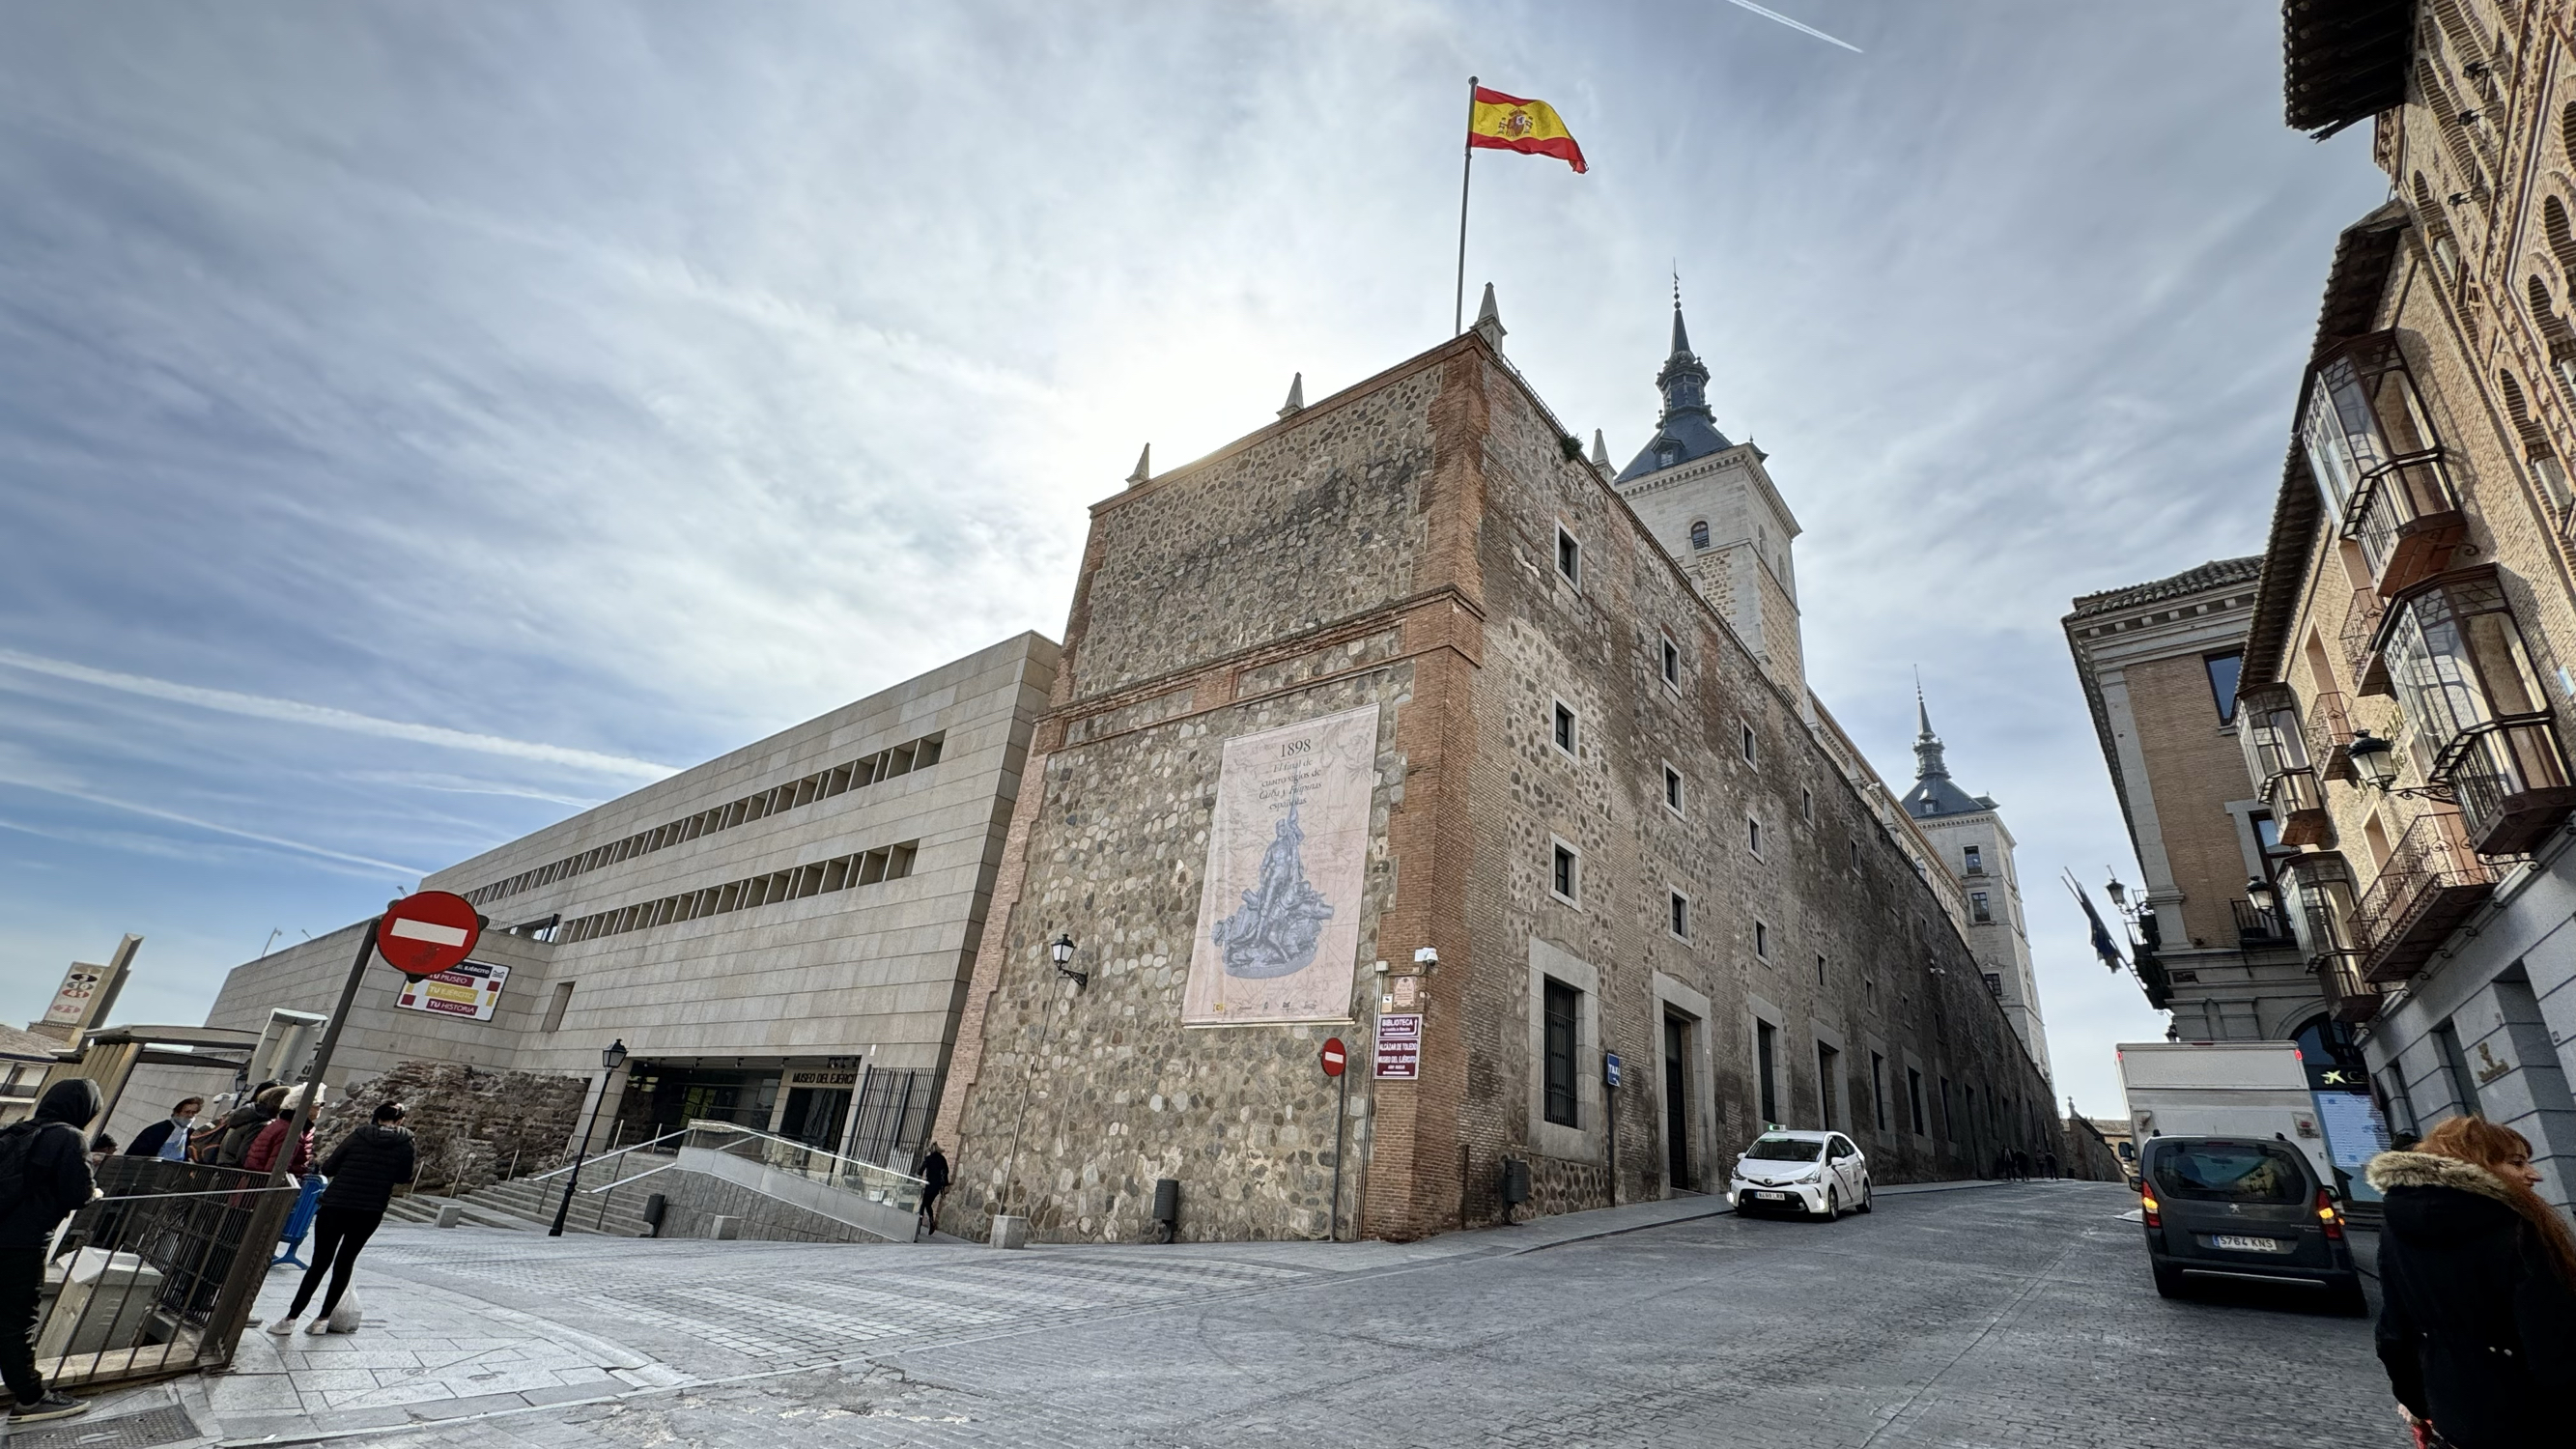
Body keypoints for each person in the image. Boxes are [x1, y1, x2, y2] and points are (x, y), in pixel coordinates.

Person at [2367, 1116, 2576, 1448]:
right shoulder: (2514, 1230)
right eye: (2517, 1162)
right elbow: (2553, 1344)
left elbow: (2393, 1334)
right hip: (2533, 1419)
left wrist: (2421, 1404)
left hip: (2455, 1415)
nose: (2534, 1174)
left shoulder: (2394, 1232)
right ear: (2476, 1164)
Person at [1, 1079, 103, 1424]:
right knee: (16, 1321)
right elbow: (78, 1193)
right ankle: (30, 1397)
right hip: (22, 1243)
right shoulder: (70, 1138)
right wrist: (95, 1192)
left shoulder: (17, 1130)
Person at [269, 1102, 413, 1337]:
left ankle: (290, 1318)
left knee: (319, 1263)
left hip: (336, 1205)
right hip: (370, 1209)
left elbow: (329, 1167)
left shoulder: (358, 1136)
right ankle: (322, 1320)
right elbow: (404, 1176)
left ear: (376, 1117)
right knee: (345, 1262)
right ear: (400, 1121)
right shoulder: (406, 1143)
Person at [242, 1089, 317, 1179]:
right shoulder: (290, 1130)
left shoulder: (280, 1124)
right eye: (318, 1105)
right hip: (262, 1184)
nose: (321, 1108)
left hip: (253, 1180)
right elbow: (276, 1165)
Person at [213, 1084, 283, 1168]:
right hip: (233, 1170)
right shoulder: (259, 1122)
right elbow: (244, 1152)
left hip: (224, 1164)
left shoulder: (246, 1114)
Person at [125, 1100, 203, 1162]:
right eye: (187, 1112)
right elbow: (136, 1154)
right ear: (177, 1113)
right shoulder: (157, 1129)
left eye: (194, 1113)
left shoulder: (192, 1134)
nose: (190, 1115)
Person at [918, 1143, 949, 1235]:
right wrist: (944, 1185)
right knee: (928, 1204)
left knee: (923, 1205)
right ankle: (931, 1223)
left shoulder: (928, 1159)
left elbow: (920, 1171)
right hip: (937, 1187)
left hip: (929, 1184)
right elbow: (946, 1171)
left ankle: (919, 1224)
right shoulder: (942, 1159)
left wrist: (920, 1179)